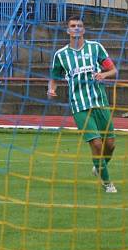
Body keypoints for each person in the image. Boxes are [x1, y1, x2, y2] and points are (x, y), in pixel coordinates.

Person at [48, 16, 119, 193]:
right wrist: (51, 89)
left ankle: (99, 166)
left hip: (100, 102)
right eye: (73, 26)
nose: (76, 28)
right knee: (96, 144)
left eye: (80, 25)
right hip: (79, 106)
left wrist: (104, 75)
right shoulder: (61, 55)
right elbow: (55, 77)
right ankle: (108, 183)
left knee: (110, 145)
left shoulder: (95, 48)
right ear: (68, 31)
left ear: (84, 30)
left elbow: (113, 69)